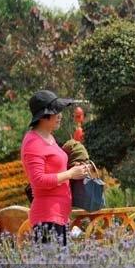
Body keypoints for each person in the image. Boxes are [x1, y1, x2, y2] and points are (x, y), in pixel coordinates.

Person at [20, 90, 90, 245]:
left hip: (60, 214)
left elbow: (56, 170)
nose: (60, 115)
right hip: (47, 216)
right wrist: (70, 173)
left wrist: (76, 168)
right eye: (56, 112)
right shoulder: (33, 142)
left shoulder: (49, 137)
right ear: (44, 116)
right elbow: (38, 180)